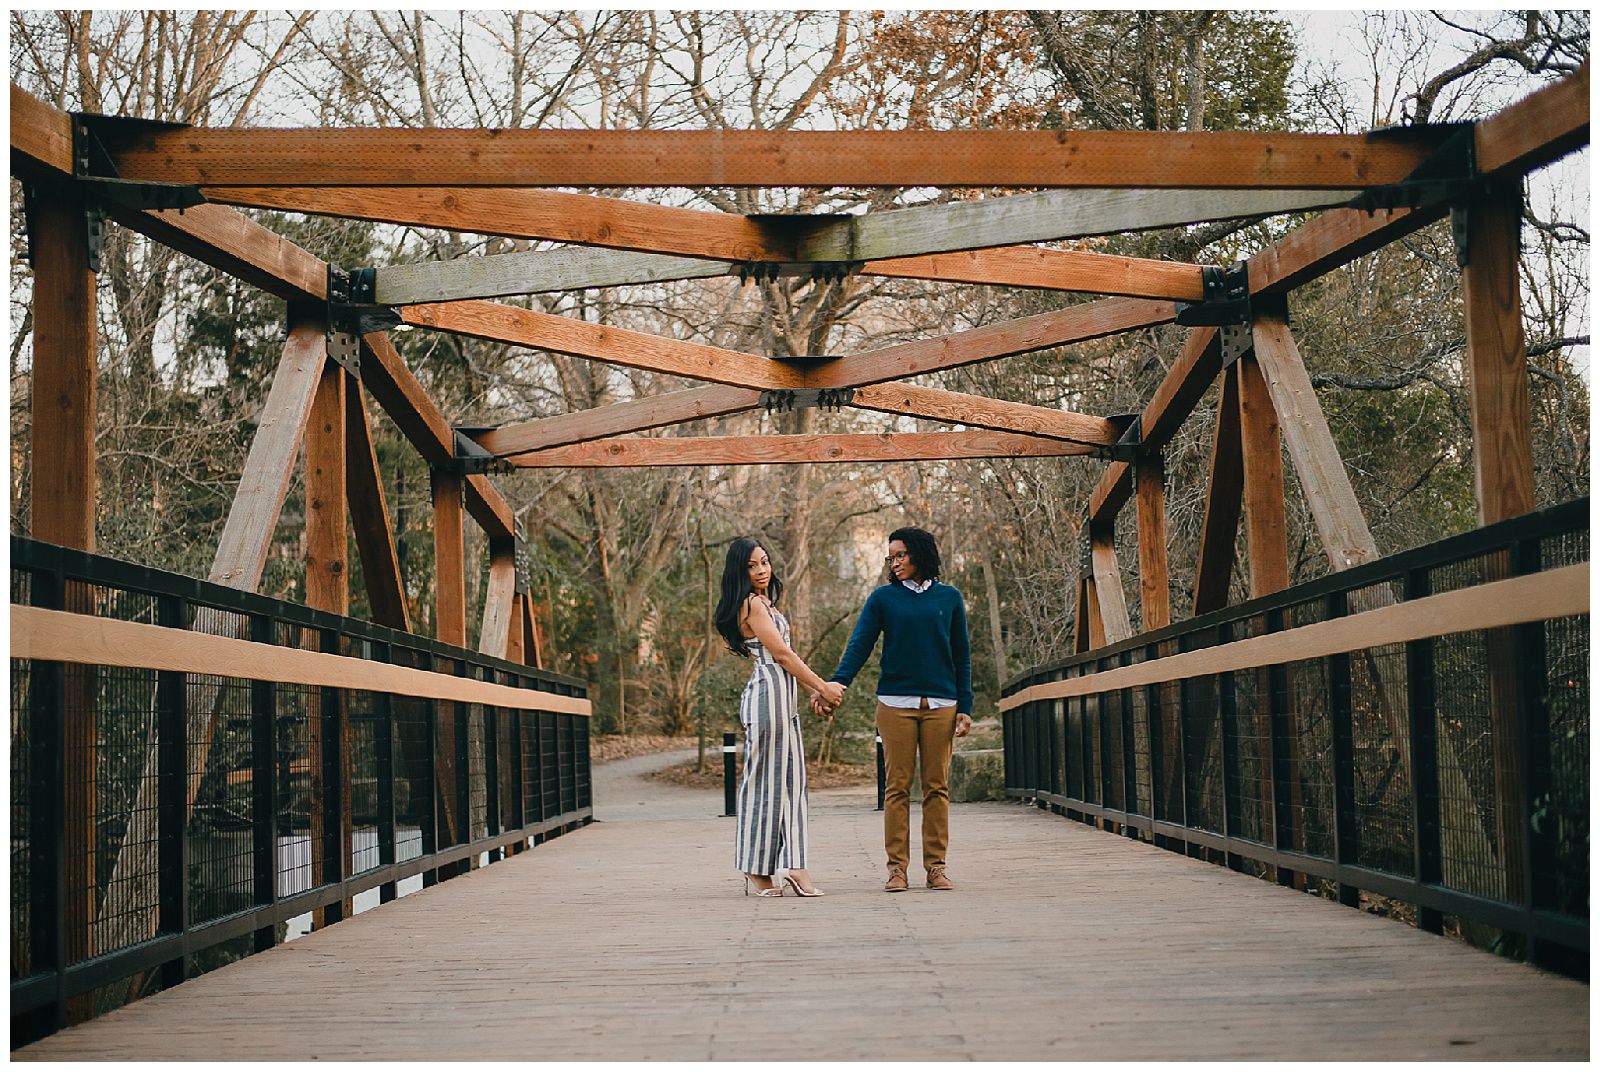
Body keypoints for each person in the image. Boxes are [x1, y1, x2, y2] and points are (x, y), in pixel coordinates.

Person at [818, 527, 972, 892]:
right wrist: (837, 684)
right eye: (891, 557)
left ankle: (936, 867)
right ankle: (897, 869)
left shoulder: (949, 598)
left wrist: (965, 705)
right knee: (897, 788)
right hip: (895, 704)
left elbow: (962, 655)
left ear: (920, 554)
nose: (895, 562)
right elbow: (860, 645)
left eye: (901, 555)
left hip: (941, 705)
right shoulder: (883, 599)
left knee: (937, 788)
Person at [713, 536, 845, 897]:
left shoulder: (765, 604)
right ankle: (761, 870)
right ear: (740, 571)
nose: (761, 570)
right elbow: (783, 657)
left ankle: (791, 865)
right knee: (766, 786)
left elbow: (786, 660)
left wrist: (813, 692)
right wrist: (824, 686)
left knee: (791, 783)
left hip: (782, 699)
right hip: (767, 700)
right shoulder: (752, 604)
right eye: (752, 565)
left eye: (765, 562)